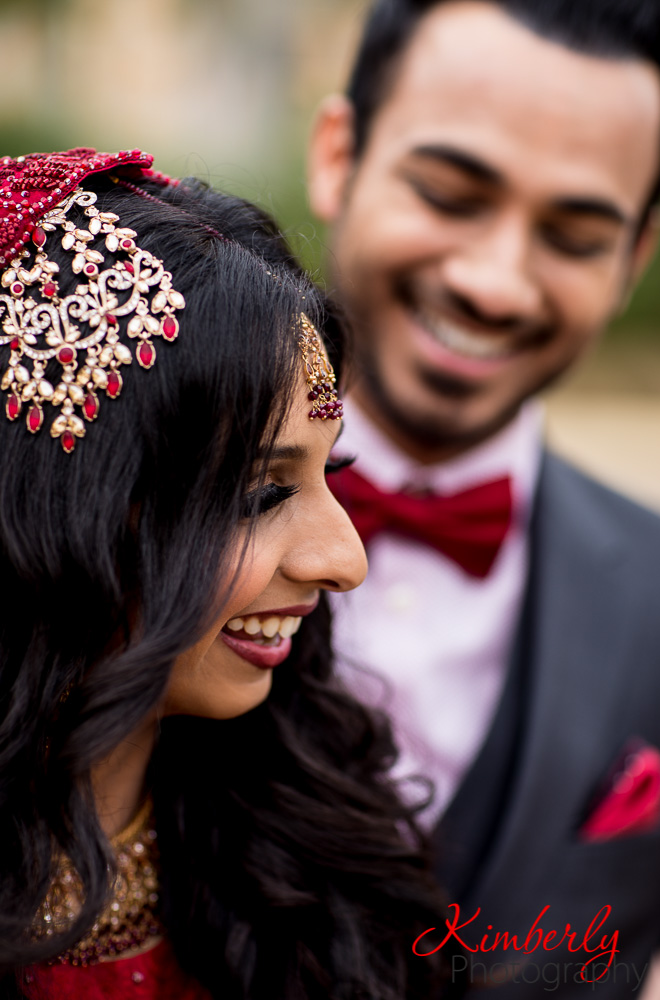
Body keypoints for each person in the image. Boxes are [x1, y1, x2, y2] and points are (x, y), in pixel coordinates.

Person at [0, 148, 446, 1000]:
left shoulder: (306, 868)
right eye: (260, 495)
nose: (344, 561)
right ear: (54, 515)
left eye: (330, 474)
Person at [307, 1, 660, 995]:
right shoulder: (111, 519)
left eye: (575, 236)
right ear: (337, 157)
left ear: (633, 260)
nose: (495, 283)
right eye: (448, 193)